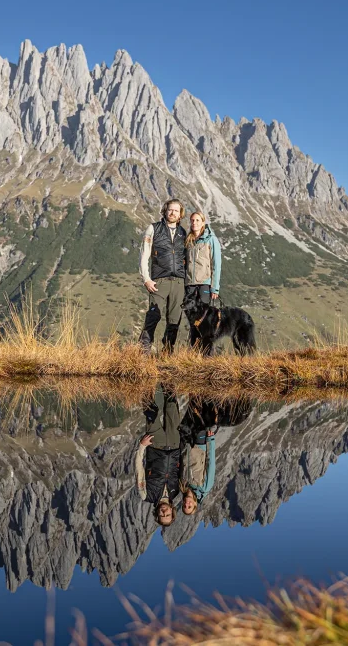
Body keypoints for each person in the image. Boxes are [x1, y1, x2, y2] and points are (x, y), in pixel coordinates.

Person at [138, 199, 188, 353]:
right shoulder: (153, 229)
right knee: (153, 316)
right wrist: (146, 279)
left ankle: (168, 352)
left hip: (179, 282)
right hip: (159, 280)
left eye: (176, 211)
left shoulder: (183, 233)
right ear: (165, 211)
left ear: (180, 215)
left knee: (174, 320)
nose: (172, 213)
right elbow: (144, 255)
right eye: (170, 210)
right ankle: (143, 350)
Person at [135, 385, 183, 527]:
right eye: (167, 515)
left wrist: (142, 446)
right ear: (172, 511)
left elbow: (139, 470)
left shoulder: (146, 495)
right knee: (171, 406)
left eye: (162, 515)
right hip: (174, 444)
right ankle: (167, 374)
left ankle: (148, 376)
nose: (164, 512)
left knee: (151, 409)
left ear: (157, 514)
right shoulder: (176, 492)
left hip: (155, 444)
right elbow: (182, 467)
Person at [183, 211, 222, 351]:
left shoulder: (211, 239)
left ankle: (206, 353)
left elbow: (216, 264)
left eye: (198, 220)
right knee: (192, 321)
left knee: (204, 320)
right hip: (189, 285)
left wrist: (215, 287)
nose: (194, 223)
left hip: (205, 283)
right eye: (192, 220)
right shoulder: (188, 240)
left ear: (203, 222)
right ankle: (193, 351)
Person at [180, 395, 217, 515]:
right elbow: (210, 464)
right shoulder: (204, 488)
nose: (187, 504)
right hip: (200, 444)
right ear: (195, 505)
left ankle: (194, 388)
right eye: (189, 507)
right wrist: (210, 440)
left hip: (187, 445)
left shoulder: (183, 486)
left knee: (191, 411)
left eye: (184, 506)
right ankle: (205, 391)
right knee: (200, 414)